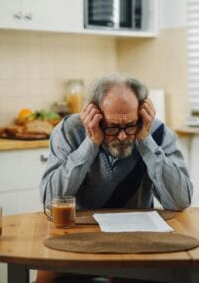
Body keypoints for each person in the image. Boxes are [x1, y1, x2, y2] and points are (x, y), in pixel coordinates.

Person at [37, 73, 193, 283]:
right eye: (112, 127)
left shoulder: (155, 132)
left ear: (142, 113)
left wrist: (146, 141)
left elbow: (180, 200)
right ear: (95, 114)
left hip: (139, 242)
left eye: (130, 125)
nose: (122, 136)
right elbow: (50, 201)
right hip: (78, 241)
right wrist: (90, 144)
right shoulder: (69, 131)